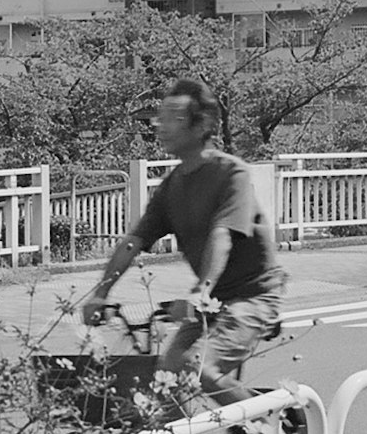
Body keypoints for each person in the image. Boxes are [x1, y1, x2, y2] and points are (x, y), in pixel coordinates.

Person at [80, 78, 285, 413]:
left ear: (201, 124)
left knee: (197, 367)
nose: (159, 125)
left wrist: (201, 290)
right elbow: (134, 241)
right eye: (159, 116)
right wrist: (101, 292)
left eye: (172, 117)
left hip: (253, 296)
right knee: (166, 378)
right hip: (210, 300)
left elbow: (223, 235)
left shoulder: (232, 174)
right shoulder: (173, 184)